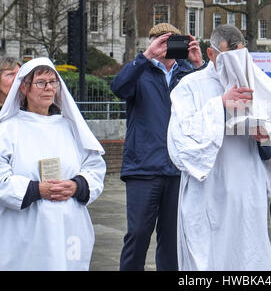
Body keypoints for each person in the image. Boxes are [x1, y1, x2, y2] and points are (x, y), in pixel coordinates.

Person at [167, 24, 271, 270]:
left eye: (241, 56)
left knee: (247, 255)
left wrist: (265, 137)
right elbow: (179, 140)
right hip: (208, 189)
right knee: (209, 255)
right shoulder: (190, 86)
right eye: (228, 57)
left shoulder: (253, 83)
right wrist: (221, 106)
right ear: (211, 54)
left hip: (247, 187)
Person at [111, 23, 205, 271]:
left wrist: (199, 64)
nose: (166, 47)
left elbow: (212, 98)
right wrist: (145, 57)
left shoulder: (188, 73)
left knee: (173, 240)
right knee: (138, 234)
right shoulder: (139, 71)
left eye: (172, 41)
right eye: (160, 41)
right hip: (143, 167)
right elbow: (118, 88)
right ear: (151, 43)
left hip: (178, 169)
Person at [0, 57, 106, 270]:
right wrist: (36, 189)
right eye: (41, 82)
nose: (48, 88)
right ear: (24, 88)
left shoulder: (71, 127)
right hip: (26, 226)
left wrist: (77, 185)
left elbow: (94, 167)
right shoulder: (7, 130)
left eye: (53, 82)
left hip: (68, 226)